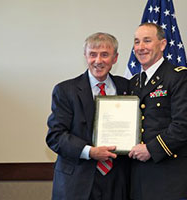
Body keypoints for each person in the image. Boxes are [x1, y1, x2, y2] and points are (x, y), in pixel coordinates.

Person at [46, 32, 130, 200]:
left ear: (115, 58)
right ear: (85, 56)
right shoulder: (65, 90)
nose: (98, 61)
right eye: (93, 54)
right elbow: (55, 137)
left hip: (118, 181)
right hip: (77, 183)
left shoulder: (127, 87)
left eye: (105, 55)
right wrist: (90, 152)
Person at [128, 23, 187, 200]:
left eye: (147, 41)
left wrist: (152, 149)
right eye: (137, 42)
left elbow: (184, 126)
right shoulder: (133, 83)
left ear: (162, 44)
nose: (140, 47)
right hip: (138, 179)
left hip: (170, 178)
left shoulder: (179, 77)